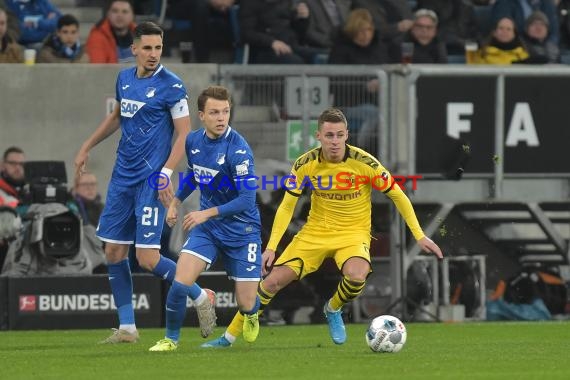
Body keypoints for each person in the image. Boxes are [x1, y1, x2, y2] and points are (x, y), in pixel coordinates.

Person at [202, 108, 443, 348]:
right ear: (319, 136)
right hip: (314, 233)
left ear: (347, 135)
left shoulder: (365, 163)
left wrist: (419, 235)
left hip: (352, 234)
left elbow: (398, 195)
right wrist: (272, 247)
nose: (335, 141)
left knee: (357, 275)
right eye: (329, 135)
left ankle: (333, 308)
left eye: (339, 135)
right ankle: (228, 338)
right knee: (271, 283)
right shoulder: (305, 163)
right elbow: (286, 206)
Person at [74, 21, 215, 344]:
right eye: (147, 48)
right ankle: (127, 328)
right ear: (134, 49)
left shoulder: (172, 85)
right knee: (113, 251)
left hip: (152, 180)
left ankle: (200, 295)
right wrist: (86, 146)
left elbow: (183, 134)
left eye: (158, 48)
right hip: (122, 178)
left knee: (147, 258)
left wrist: (165, 172)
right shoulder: (124, 78)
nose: (153, 54)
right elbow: (117, 117)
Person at [148, 85, 262, 352]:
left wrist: (204, 213)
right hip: (208, 229)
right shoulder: (193, 141)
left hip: (242, 231)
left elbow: (247, 199)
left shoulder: (239, 149)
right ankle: (170, 340)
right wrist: (175, 202)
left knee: (246, 303)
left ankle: (252, 312)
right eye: (214, 112)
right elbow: (194, 174)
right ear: (202, 115)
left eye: (225, 111)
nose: (221, 118)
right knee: (180, 283)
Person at [240, 0, 326, 64]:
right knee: (295, 62)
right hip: (265, 49)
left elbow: (298, 32)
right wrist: (272, 42)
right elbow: (247, 33)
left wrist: (302, 19)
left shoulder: (286, 2)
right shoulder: (250, 3)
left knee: (325, 56)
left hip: (291, 45)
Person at [0, 146, 26, 269]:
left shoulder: (29, 192)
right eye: (13, 163)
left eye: (21, 164)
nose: (18, 167)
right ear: (2, 165)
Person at [491, 0, 559, 43]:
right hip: (518, 47)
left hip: (545, 47)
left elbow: (553, 32)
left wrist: (550, 46)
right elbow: (505, 28)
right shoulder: (505, 3)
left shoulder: (547, 3)